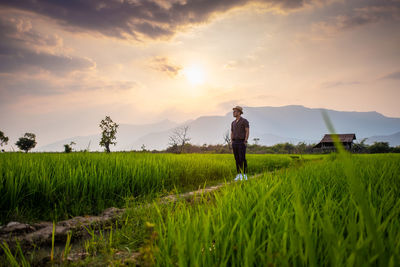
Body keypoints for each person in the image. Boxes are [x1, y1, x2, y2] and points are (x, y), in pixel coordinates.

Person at [230, 106, 249, 180]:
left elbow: (247, 131)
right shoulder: (233, 123)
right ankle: (238, 174)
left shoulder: (244, 121)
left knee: (242, 158)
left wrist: (245, 140)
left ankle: (244, 174)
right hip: (235, 142)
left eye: (235, 111)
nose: (233, 113)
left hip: (242, 142)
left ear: (239, 112)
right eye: (233, 111)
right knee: (236, 158)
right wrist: (231, 141)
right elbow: (232, 132)